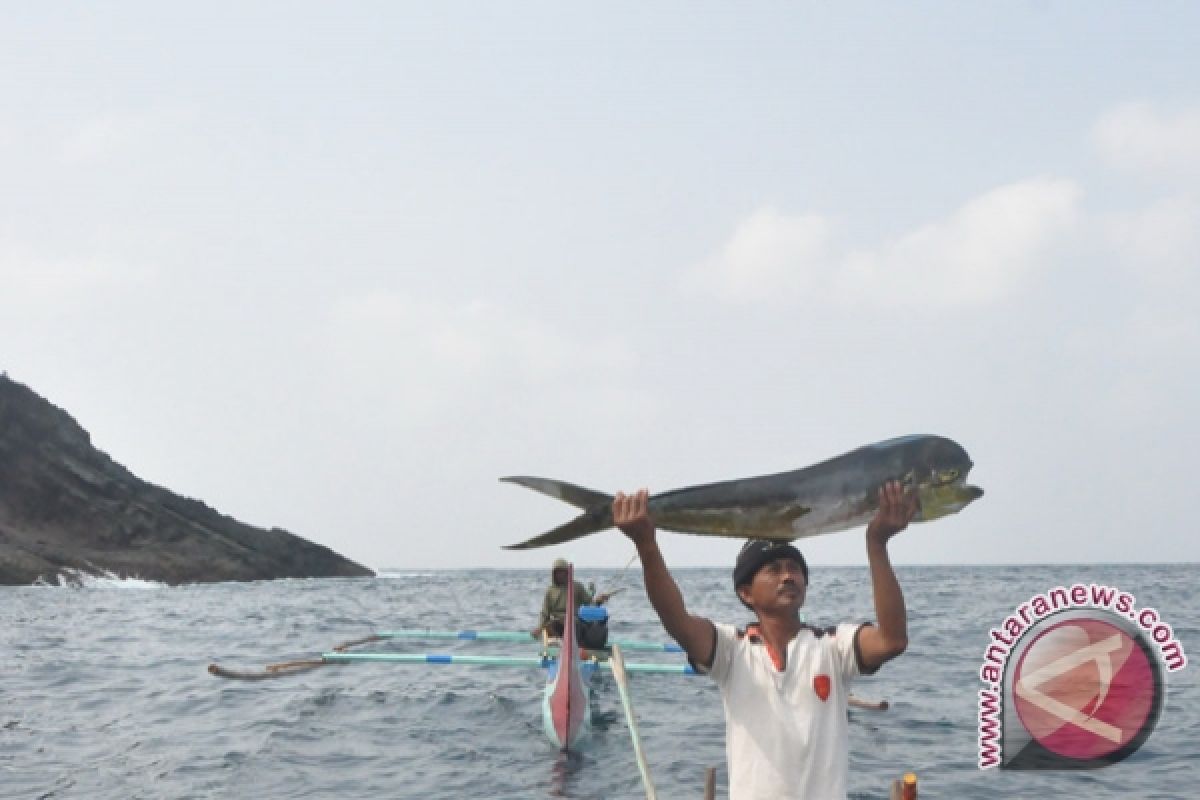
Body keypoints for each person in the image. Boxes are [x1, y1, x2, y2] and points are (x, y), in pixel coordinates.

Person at [612, 481, 916, 800]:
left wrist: (877, 543)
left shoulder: (834, 646)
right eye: (773, 569)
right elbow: (678, 621)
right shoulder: (732, 651)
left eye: (794, 569)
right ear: (745, 593)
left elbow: (892, 640)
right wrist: (646, 546)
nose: (788, 576)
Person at [531, 557, 611, 639]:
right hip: (557, 623)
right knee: (550, 626)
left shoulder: (576, 586)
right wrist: (539, 627)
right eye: (557, 572)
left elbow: (590, 604)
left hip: (574, 622)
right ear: (553, 574)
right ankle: (558, 642)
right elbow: (545, 613)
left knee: (576, 624)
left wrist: (599, 601)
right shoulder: (550, 591)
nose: (560, 575)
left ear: (567, 573)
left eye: (562, 572)